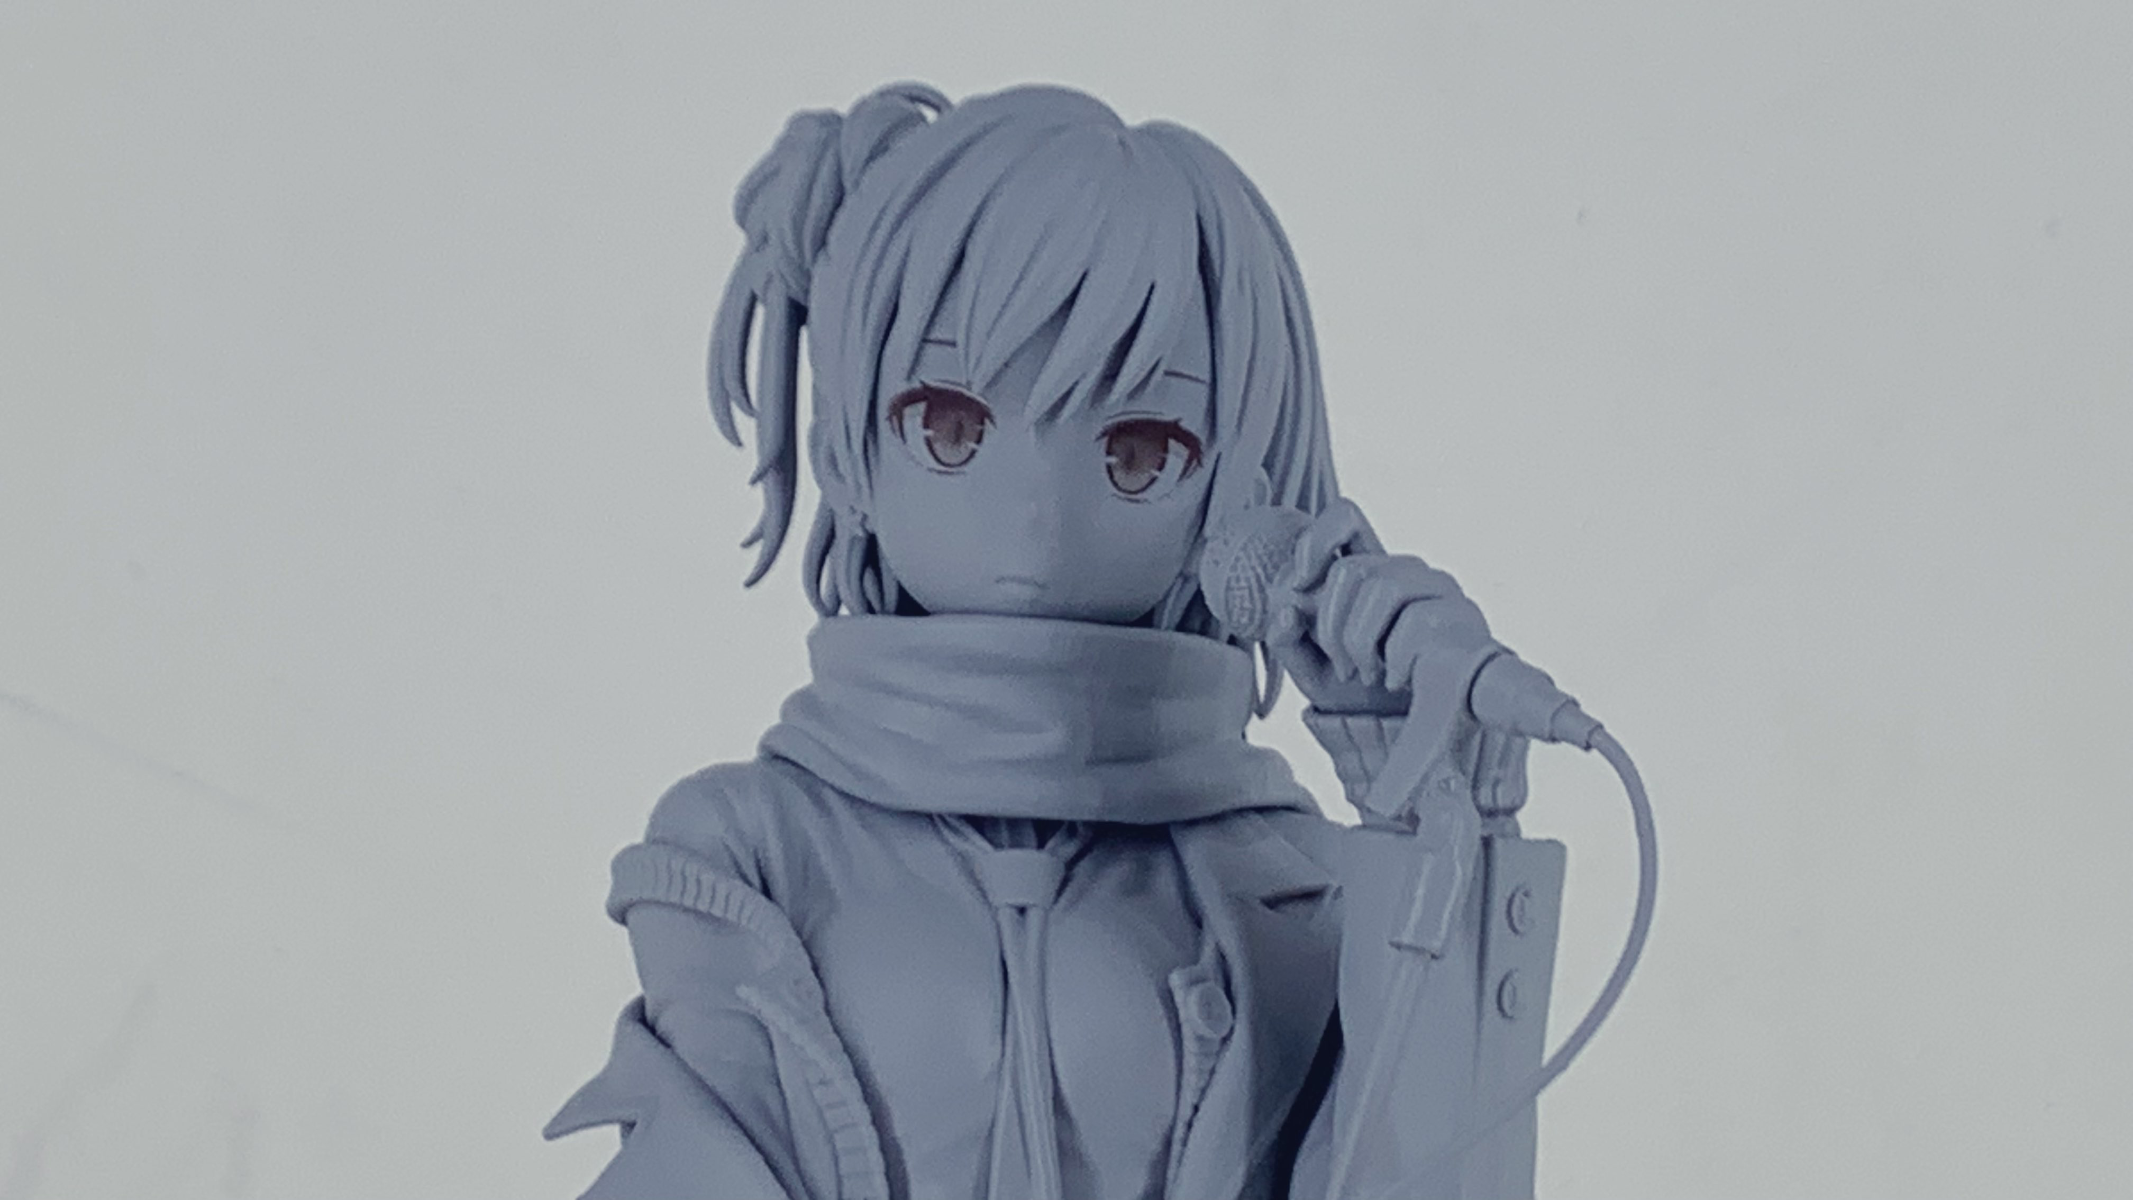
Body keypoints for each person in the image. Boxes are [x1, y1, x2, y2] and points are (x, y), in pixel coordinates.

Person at [545, 81, 1556, 1200]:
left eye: (1139, 447)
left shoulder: (1279, 874)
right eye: (949, 424)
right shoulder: (746, 849)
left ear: (1237, 488)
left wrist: (1440, 829)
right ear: (846, 452)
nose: (1035, 506)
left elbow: (1428, 1180)